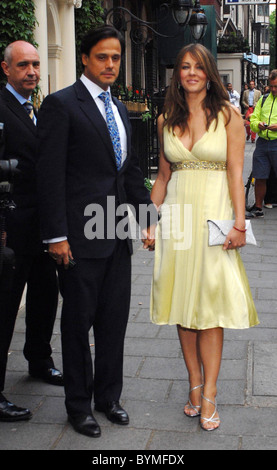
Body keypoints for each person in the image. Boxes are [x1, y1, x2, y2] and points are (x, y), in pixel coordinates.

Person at [36, 26, 156, 438]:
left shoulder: (120, 109)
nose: (110, 65)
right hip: (78, 240)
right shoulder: (61, 105)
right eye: (103, 57)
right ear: (84, 58)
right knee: (77, 324)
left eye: (116, 58)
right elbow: (49, 177)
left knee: (113, 323)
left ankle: (108, 397)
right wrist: (56, 236)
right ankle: (78, 406)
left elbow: (130, 172)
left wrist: (148, 219)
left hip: (116, 234)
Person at [150, 43, 259, 431]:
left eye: (198, 67)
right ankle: (193, 385)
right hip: (177, 218)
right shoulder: (166, 118)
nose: (191, 73)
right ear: (177, 74)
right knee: (184, 307)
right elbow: (163, 177)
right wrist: (150, 220)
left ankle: (210, 392)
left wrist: (240, 223)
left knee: (210, 307)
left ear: (209, 73)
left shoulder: (229, 116)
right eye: (184, 67)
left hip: (214, 218)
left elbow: (235, 172)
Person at [0, 41, 63, 422]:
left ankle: (39, 361)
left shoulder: (37, 109)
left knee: (44, 297)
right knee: (5, 308)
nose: (33, 71)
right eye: (24, 65)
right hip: (10, 230)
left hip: (42, 228)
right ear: (6, 69)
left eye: (36, 64)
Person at [247, 70, 277, 218]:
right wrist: (257, 124)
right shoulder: (264, 99)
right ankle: (258, 207)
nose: (273, 89)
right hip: (262, 142)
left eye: (276, 86)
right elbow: (253, 119)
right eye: (271, 86)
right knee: (260, 175)